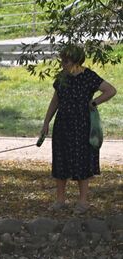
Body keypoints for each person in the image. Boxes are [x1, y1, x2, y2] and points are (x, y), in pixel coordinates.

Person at [40, 45, 116, 215]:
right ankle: (60, 200)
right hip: (63, 125)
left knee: (81, 161)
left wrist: (94, 102)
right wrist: (46, 123)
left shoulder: (88, 76)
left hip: (82, 125)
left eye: (65, 61)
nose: (62, 64)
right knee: (61, 160)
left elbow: (111, 90)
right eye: (62, 60)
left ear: (75, 60)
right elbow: (55, 101)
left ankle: (83, 202)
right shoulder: (62, 78)